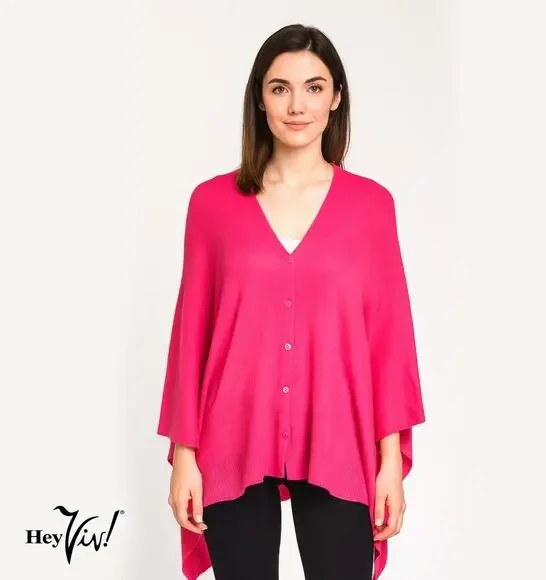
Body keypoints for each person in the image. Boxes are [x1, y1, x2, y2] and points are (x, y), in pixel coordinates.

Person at [157, 23, 426, 580]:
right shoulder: (211, 204)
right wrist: (185, 454)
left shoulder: (372, 206)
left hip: (339, 436)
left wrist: (388, 461)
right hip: (231, 436)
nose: (297, 105)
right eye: (280, 88)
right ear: (260, 98)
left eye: (314, 87)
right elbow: (191, 335)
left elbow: (389, 340)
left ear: (336, 97)